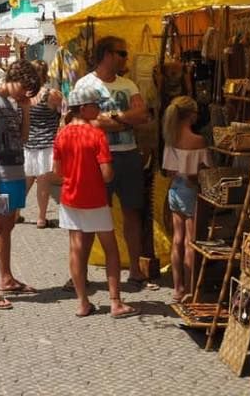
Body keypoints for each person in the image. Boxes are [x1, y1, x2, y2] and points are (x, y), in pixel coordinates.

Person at [72, 36, 153, 287]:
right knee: (91, 216)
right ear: (107, 54)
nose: (125, 58)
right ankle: (80, 273)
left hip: (128, 154)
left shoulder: (128, 84)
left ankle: (135, 271)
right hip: (96, 159)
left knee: (132, 212)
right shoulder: (85, 84)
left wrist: (114, 117)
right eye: (121, 54)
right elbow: (87, 122)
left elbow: (142, 115)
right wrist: (125, 119)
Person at [52, 87, 138, 319]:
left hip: (70, 198)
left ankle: (82, 303)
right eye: (96, 105)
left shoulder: (61, 133)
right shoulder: (96, 134)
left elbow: (56, 172)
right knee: (111, 249)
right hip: (95, 199)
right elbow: (107, 174)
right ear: (84, 108)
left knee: (76, 249)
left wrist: (74, 176)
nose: (100, 109)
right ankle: (115, 302)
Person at [0, 61, 42, 310]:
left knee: (8, 225)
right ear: (15, 79)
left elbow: (23, 138)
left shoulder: (11, 104)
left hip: (14, 173)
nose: (26, 94)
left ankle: (6, 277)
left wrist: (25, 108)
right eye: (25, 89)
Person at [162, 95, 212, 303]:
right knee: (191, 242)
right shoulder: (198, 141)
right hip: (190, 190)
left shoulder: (171, 139)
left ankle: (177, 287)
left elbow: (169, 170)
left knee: (177, 240)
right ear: (191, 116)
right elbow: (207, 170)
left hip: (174, 189)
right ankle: (191, 289)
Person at [23, 61, 63, 227]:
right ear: (46, 73)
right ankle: (41, 217)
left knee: (26, 181)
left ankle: (15, 213)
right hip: (47, 143)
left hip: (28, 143)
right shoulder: (52, 94)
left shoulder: (25, 95)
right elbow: (64, 115)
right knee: (43, 181)